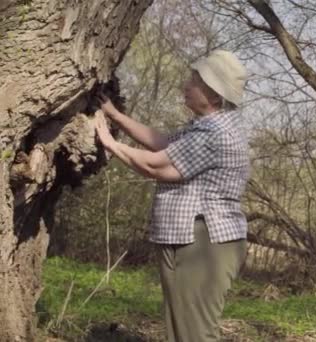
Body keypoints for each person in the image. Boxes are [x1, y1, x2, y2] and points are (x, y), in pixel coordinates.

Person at [94, 49, 249, 341]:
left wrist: (110, 143)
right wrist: (115, 115)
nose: (186, 85)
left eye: (195, 80)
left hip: (202, 243)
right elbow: (161, 143)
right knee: (183, 331)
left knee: (195, 334)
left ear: (214, 95)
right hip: (193, 239)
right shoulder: (207, 127)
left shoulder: (214, 134)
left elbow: (157, 166)